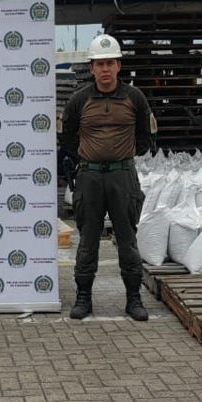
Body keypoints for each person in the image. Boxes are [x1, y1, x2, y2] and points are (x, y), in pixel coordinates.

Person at [58, 33, 156, 321]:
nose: (105, 69)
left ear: (118, 66)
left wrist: (122, 155)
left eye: (110, 63)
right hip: (89, 178)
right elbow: (66, 136)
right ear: (91, 68)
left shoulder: (134, 98)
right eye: (99, 64)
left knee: (127, 239)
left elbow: (146, 135)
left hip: (122, 177)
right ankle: (83, 298)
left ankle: (134, 298)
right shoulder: (79, 100)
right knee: (87, 240)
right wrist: (88, 155)